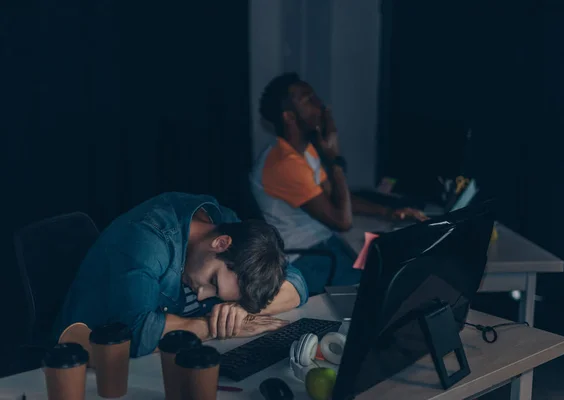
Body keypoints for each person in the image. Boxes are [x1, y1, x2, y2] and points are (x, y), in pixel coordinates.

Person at [53, 192, 309, 357]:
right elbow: (134, 332)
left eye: (216, 294)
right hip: (88, 364)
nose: (202, 295)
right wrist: (214, 327)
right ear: (220, 244)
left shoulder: (226, 225)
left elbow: (297, 283)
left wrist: (241, 309)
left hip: (167, 360)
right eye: (212, 282)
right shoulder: (146, 239)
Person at [250, 73, 427, 294]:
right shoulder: (283, 164)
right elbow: (342, 221)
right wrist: (335, 160)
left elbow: (336, 196)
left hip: (325, 246)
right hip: (305, 260)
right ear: (289, 117)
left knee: (391, 266)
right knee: (383, 290)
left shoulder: (304, 152)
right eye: (308, 99)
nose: (320, 104)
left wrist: (391, 212)